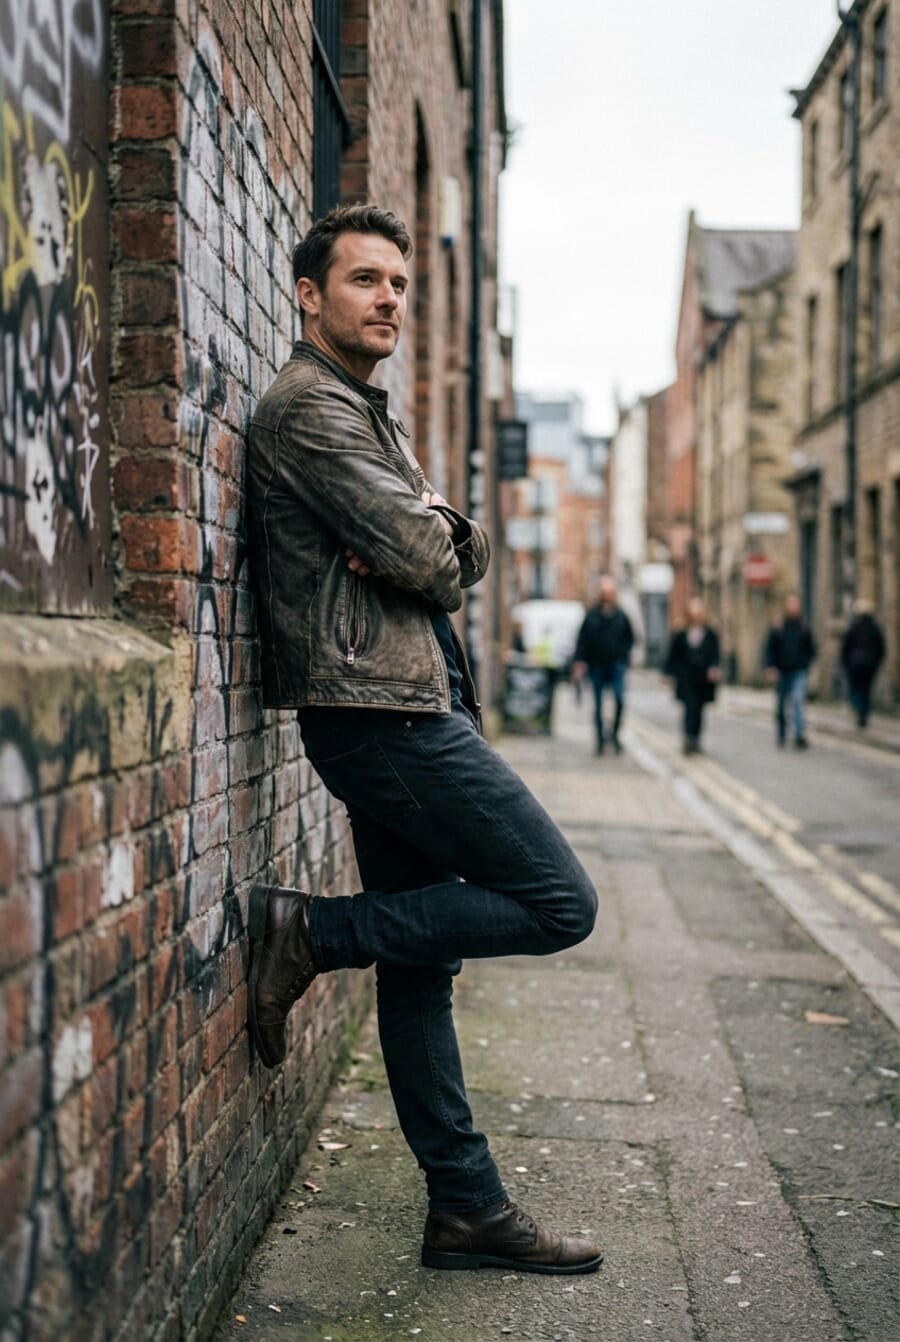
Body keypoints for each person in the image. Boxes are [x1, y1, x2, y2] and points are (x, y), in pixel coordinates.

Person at [244, 204, 601, 1275]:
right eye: (365, 280)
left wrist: (434, 526)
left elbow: (454, 548)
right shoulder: (311, 409)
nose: (389, 298)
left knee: (421, 962)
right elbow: (427, 557)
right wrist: (426, 531)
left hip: (397, 707)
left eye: (398, 282)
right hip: (384, 720)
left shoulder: (367, 413)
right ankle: (313, 933)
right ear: (309, 295)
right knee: (561, 902)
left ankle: (466, 1207)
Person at [571, 576, 634, 754]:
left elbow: (629, 639)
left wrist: (623, 655)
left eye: (609, 592)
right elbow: (582, 640)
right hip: (596, 664)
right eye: (604, 592)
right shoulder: (592, 616)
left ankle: (615, 735)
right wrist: (579, 661)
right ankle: (600, 740)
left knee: (619, 699)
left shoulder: (621, 616)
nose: (606, 595)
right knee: (598, 704)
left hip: (616, 664)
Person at [663, 598, 721, 754]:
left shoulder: (710, 633)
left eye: (699, 613)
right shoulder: (681, 633)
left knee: (699, 710)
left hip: (703, 679)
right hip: (686, 677)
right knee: (689, 707)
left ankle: (695, 738)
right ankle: (688, 738)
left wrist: (714, 668)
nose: (696, 617)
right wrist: (668, 673)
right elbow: (672, 655)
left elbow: (715, 654)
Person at [764, 593, 816, 749]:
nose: (793, 607)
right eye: (791, 604)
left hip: (798, 671)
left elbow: (811, 649)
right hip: (781, 671)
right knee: (781, 704)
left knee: (798, 701)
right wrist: (771, 666)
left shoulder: (804, 626)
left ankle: (799, 734)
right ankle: (781, 732)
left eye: (796, 604)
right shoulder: (778, 626)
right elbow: (770, 648)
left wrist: (805, 664)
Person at [841, 601, 885, 729]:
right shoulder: (875, 628)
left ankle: (859, 709)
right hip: (870, 665)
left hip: (856, 664)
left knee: (856, 688)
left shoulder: (854, 627)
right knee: (866, 690)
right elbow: (881, 648)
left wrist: (846, 662)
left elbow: (846, 647)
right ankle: (863, 714)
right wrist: (877, 662)